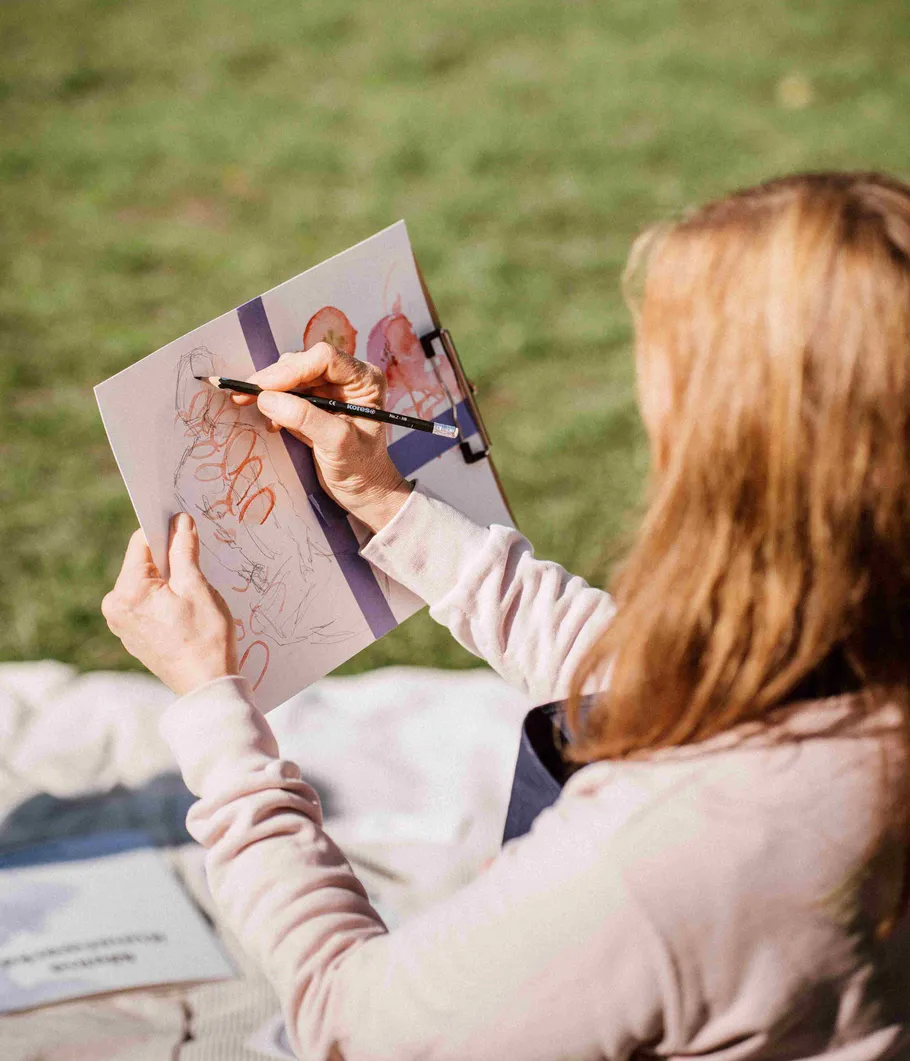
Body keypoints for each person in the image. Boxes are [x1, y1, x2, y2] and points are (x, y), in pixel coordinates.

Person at [102, 172, 910, 1061]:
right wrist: (388, 503)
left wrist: (218, 721)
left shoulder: (665, 854)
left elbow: (350, 1027)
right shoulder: (866, 664)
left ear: (735, 446)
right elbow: (643, 677)